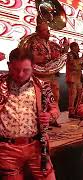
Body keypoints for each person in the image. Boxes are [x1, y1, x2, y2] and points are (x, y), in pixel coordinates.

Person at [0, 48, 59, 179]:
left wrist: (50, 116)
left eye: (25, 70)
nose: (20, 74)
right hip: (7, 148)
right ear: (9, 65)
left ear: (33, 67)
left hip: (36, 146)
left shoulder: (42, 86)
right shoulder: (0, 84)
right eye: (15, 69)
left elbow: (55, 109)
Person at [29, 22, 68, 127]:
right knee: (42, 99)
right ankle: (42, 121)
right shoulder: (34, 43)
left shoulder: (50, 43)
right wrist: (50, 57)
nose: (49, 32)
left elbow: (59, 55)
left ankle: (53, 118)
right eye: (46, 30)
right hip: (40, 75)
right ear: (38, 32)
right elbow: (33, 58)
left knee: (55, 96)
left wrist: (64, 48)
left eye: (48, 30)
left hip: (51, 74)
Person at [66, 42, 83, 119]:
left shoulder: (77, 55)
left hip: (78, 78)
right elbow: (73, 64)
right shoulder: (70, 54)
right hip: (72, 78)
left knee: (80, 95)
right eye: (77, 46)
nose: (79, 48)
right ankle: (71, 112)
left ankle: (77, 111)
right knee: (73, 96)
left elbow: (80, 67)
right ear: (73, 47)